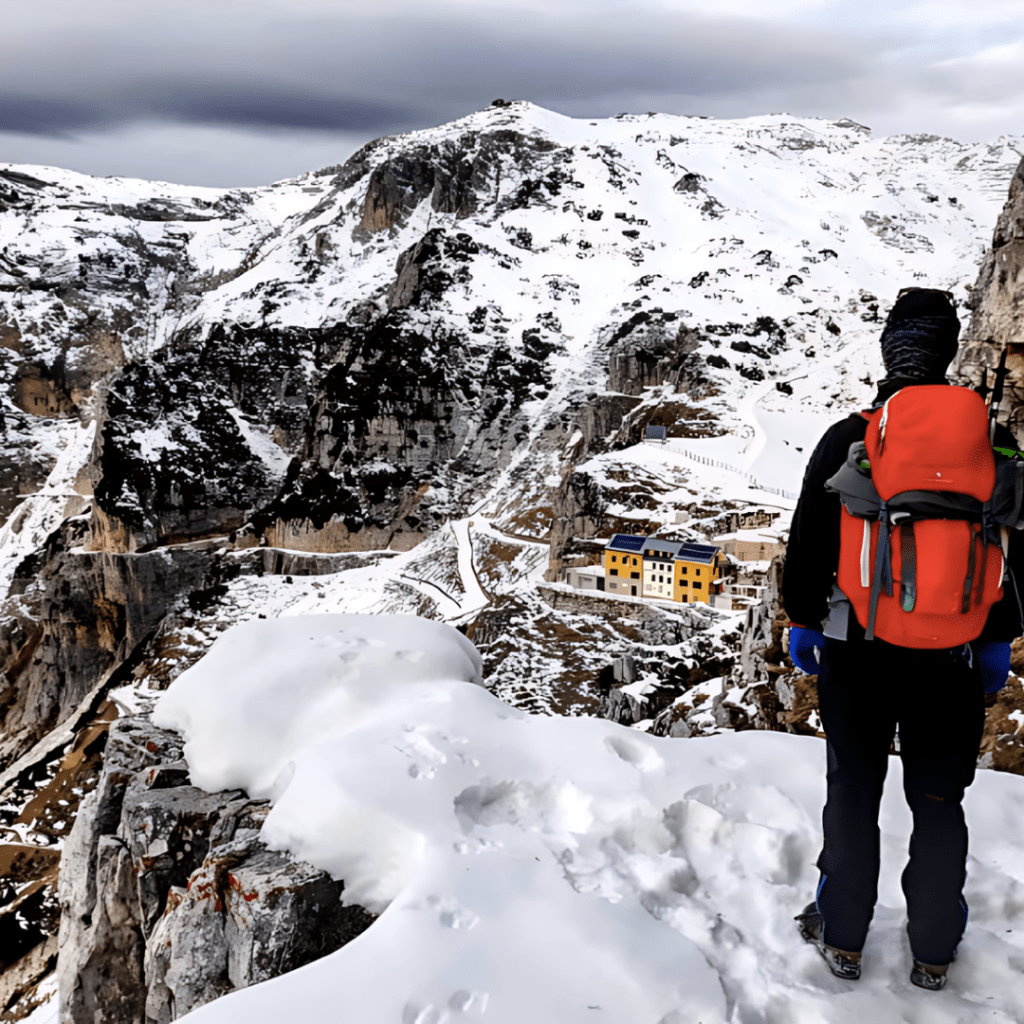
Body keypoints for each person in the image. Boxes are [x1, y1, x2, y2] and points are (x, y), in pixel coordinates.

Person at [781, 287, 1023, 991]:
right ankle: (934, 951)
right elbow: (1013, 557)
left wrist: (803, 622)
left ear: (888, 350)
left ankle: (844, 935)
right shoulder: (993, 444)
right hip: (952, 660)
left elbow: (807, 545)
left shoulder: (851, 437)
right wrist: (994, 640)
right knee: (940, 801)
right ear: (949, 351)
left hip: (858, 652)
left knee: (854, 792)